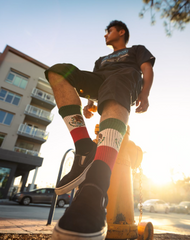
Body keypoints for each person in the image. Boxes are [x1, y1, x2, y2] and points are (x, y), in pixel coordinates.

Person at [45, 20, 155, 240]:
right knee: (58, 72)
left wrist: (145, 93)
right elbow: (95, 87)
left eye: (109, 31)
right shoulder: (101, 60)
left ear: (121, 32)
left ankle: (96, 186)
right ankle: (84, 147)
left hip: (127, 79)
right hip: (102, 81)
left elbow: (146, 69)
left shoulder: (136, 50)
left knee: (117, 83)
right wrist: (89, 104)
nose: (105, 35)